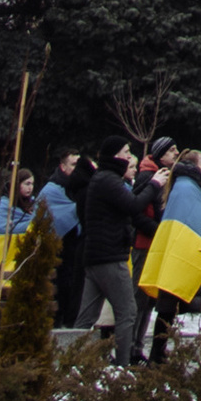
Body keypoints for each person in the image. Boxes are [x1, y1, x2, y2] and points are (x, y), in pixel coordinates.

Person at [140, 151, 201, 357]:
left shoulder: (181, 185)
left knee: (167, 306)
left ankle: (158, 352)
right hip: (176, 252)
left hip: (172, 251)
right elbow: (198, 218)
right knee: (166, 306)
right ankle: (157, 354)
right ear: (194, 166)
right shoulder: (186, 188)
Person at [75, 145, 142, 368]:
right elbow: (134, 206)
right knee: (127, 312)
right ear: (114, 156)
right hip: (111, 256)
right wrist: (153, 185)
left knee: (86, 318)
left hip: (95, 257)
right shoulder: (109, 180)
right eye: (125, 152)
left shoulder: (100, 179)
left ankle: (74, 363)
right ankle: (122, 368)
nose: (129, 157)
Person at [41, 154, 84, 334]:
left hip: (76, 249)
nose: (76, 168)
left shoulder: (80, 188)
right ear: (63, 166)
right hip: (57, 249)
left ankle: (71, 318)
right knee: (60, 284)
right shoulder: (51, 190)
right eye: (73, 164)